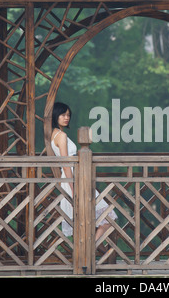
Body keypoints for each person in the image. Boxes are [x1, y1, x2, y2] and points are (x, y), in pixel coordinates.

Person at [50, 102, 117, 246]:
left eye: (68, 115)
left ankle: (87, 251)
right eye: (63, 115)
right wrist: (73, 188)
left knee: (86, 221)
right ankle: (89, 251)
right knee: (108, 217)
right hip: (73, 179)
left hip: (76, 177)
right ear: (55, 116)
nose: (66, 118)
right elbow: (66, 163)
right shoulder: (61, 135)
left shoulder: (55, 135)